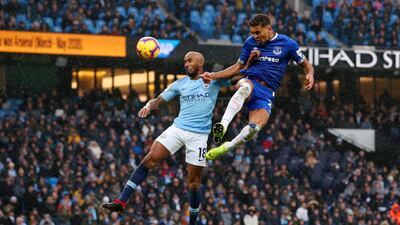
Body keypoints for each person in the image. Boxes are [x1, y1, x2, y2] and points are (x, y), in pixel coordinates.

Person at [103, 51, 230, 225]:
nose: (186, 64)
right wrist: (149, 105)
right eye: (184, 61)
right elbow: (158, 100)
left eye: (189, 61)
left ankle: (193, 222)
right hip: (178, 128)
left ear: (200, 63)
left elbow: (236, 73)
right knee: (149, 159)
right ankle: (121, 201)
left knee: (193, 183)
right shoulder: (180, 84)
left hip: (199, 136)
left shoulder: (213, 80)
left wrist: (246, 66)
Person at [202, 14, 314, 159]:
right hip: (251, 81)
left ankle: (225, 148)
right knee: (245, 88)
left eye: (257, 32)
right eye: (252, 32)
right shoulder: (250, 42)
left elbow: (306, 64)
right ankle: (222, 125)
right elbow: (237, 68)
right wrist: (213, 75)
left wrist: (310, 74)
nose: (254, 36)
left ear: (269, 28)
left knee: (253, 129)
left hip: (267, 92)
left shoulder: (288, 44)